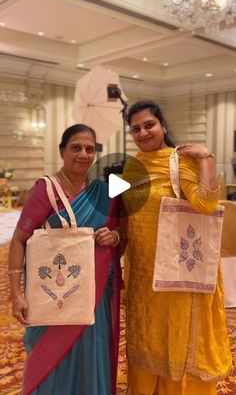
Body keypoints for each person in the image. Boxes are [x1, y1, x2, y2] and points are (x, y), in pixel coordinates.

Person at [122, 100, 232, 395]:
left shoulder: (179, 161)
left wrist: (206, 157)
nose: (143, 133)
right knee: (147, 335)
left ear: (163, 126)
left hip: (177, 272)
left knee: (176, 336)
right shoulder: (131, 168)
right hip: (144, 272)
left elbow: (206, 204)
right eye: (136, 129)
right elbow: (118, 212)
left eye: (149, 125)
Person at [8, 123, 122, 395]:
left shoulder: (104, 192)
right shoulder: (45, 189)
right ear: (61, 151)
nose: (83, 154)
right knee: (50, 359)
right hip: (54, 295)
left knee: (90, 353)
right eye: (76, 147)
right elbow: (18, 240)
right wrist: (16, 294)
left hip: (93, 295)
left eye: (89, 149)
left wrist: (115, 237)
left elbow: (123, 233)